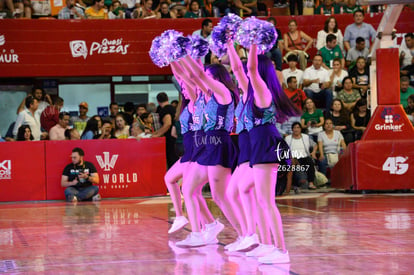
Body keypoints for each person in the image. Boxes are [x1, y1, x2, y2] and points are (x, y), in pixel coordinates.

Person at [284, 122, 318, 190]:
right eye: (294, 128)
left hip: (304, 157)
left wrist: (313, 152)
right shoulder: (288, 138)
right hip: (293, 159)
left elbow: (315, 145)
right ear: (292, 129)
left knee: (310, 161)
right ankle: (292, 184)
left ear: (300, 129)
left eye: (298, 127)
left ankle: (311, 183)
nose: (296, 129)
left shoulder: (306, 137)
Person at [152, 92, 178, 169]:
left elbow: (167, 124)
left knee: (172, 161)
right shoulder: (173, 109)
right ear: (168, 99)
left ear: (158, 101)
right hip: (176, 138)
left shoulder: (165, 110)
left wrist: (157, 135)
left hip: (170, 139)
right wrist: (156, 133)